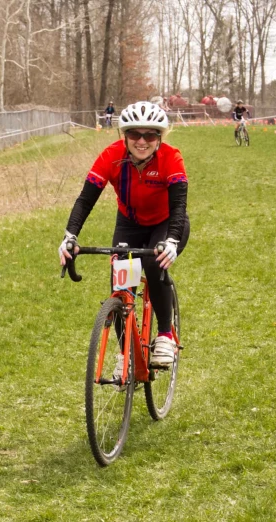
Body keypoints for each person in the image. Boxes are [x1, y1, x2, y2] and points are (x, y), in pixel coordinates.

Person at [58, 101, 190, 370]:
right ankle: (125, 355)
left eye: (150, 135)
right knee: (121, 288)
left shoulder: (171, 158)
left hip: (165, 223)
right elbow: (85, 200)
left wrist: (172, 241)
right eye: (134, 134)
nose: (142, 141)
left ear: (159, 137)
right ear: (124, 135)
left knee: (155, 263)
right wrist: (70, 235)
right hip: (130, 223)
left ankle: (165, 334)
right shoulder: (111, 156)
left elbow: (178, 206)